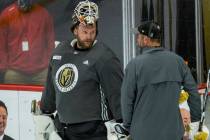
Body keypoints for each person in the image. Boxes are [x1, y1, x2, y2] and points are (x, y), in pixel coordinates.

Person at [40, 0, 123, 140]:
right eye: (85, 31)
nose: (89, 36)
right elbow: (51, 88)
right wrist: (45, 111)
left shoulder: (104, 57)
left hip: (93, 132)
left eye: (93, 31)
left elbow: (117, 94)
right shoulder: (59, 53)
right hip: (63, 131)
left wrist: (122, 123)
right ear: (75, 29)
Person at [121, 21, 201, 140]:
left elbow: (126, 99)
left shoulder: (134, 65)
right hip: (173, 133)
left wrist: (128, 125)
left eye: (139, 36)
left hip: (143, 133)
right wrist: (195, 119)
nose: (137, 39)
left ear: (146, 40)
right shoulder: (178, 62)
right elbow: (193, 92)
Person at [0, 0, 55, 85]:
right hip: (14, 72)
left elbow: (50, 43)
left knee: (46, 97)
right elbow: (1, 45)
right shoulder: (6, 14)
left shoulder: (44, 14)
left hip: (41, 73)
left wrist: (49, 65)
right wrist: (4, 68)